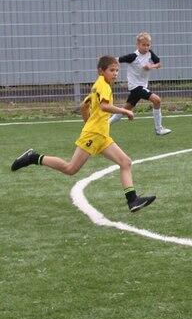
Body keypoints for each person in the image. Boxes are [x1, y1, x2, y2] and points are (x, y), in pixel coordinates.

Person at [11, 55, 156, 213]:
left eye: (116, 70)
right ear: (101, 71)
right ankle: (33, 157)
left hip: (101, 135)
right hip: (94, 135)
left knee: (125, 162)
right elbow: (104, 106)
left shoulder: (98, 85)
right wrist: (125, 111)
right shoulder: (103, 86)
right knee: (70, 169)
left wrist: (88, 123)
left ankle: (132, 200)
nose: (115, 73)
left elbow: (83, 106)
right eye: (111, 70)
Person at [109, 32, 172, 135]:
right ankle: (159, 129)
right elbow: (117, 60)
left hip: (141, 86)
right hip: (136, 87)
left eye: (148, 45)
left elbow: (159, 64)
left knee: (124, 110)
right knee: (157, 100)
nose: (146, 47)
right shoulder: (133, 56)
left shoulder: (150, 53)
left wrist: (151, 66)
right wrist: (105, 61)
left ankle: (105, 125)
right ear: (138, 45)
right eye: (143, 45)